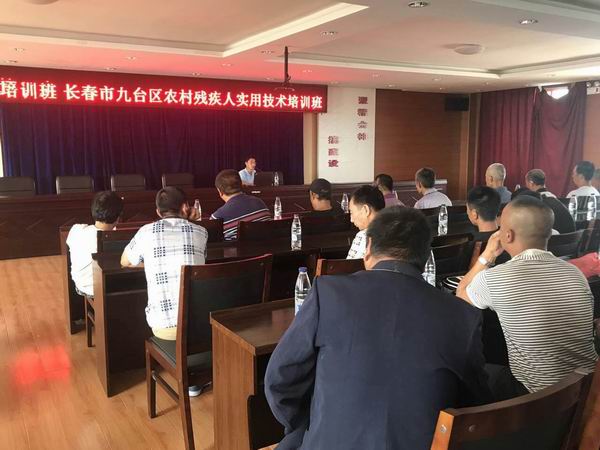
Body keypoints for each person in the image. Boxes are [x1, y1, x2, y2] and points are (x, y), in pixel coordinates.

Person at [265, 207, 491, 450]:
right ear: (426, 256)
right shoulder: (462, 315)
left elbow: (280, 379)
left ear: (368, 246)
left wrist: (309, 424)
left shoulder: (328, 293)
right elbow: (476, 404)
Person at [456, 196, 598, 401]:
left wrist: (488, 254)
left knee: (468, 370)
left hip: (538, 397)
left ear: (507, 235)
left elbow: (461, 293)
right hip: (588, 388)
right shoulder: (575, 273)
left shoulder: (496, 278)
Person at [121, 187, 208, 397]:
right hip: (202, 326)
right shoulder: (201, 232)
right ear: (185, 207)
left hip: (165, 329)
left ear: (158, 212)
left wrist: (152, 262)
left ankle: (184, 374)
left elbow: (125, 261)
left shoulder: (146, 232)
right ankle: (195, 378)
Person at [67, 191, 124, 297]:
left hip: (80, 285)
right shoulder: (113, 240)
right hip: (102, 290)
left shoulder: (76, 230)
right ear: (118, 218)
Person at [211, 169, 270, 240]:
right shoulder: (260, 203)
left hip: (237, 247)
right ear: (241, 184)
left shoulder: (217, 218)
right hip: (267, 246)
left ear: (220, 191)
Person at [347, 185, 385, 259]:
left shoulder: (363, 235)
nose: (351, 220)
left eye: (352, 212)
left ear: (365, 210)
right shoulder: (399, 230)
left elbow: (349, 265)